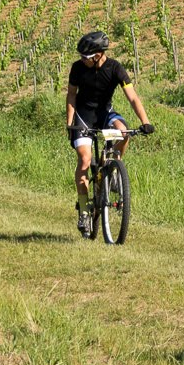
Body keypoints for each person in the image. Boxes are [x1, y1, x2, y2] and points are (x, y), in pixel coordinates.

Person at [66, 31, 154, 234]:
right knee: (85, 160)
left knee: (124, 133)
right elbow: (71, 95)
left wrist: (145, 121)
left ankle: (113, 167)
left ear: (98, 55)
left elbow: (132, 97)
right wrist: (70, 123)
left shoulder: (115, 68)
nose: (82, 59)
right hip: (83, 117)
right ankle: (84, 212)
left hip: (105, 114)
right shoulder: (77, 69)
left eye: (85, 57)